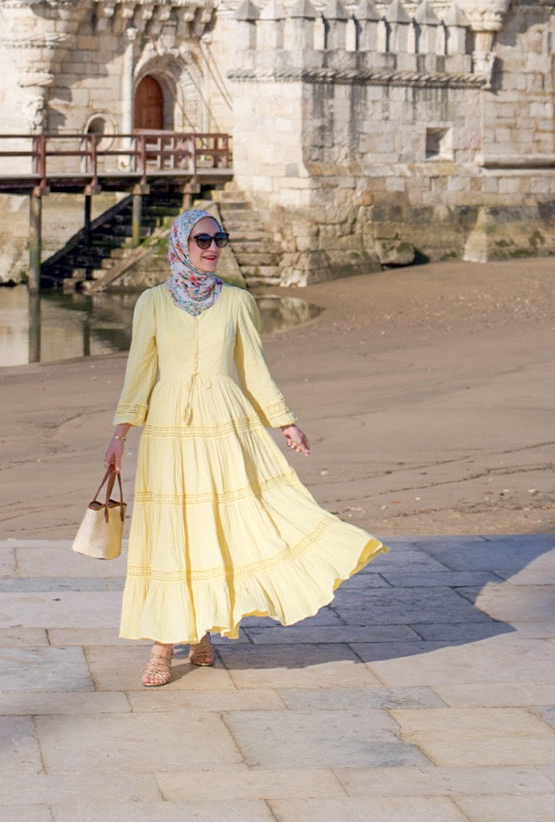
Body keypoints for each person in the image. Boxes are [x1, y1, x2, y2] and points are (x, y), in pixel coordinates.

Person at [104, 206, 383, 687]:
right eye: (203, 240)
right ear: (181, 245)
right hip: (169, 430)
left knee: (218, 524)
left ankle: (201, 630)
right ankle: (161, 646)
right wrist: (119, 434)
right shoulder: (151, 301)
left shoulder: (236, 301)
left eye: (219, 239)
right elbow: (140, 371)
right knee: (172, 530)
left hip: (224, 425)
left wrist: (285, 422)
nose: (213, 249)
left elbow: (253, 369)